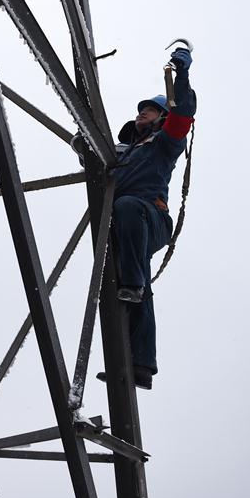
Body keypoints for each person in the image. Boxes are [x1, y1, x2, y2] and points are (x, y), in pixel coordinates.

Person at [79, 47, 197, 390]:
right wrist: (84, 147)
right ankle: (139, 364)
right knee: (126, 283)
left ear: (161, 117)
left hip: (150, 217)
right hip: (123, 227)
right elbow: (93, 161)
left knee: (129, 209)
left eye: (150, 110)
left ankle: (133, 285)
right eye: (142, 110)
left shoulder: (164, 143)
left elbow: (183, 114)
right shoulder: (118, 154)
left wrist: (182, 78)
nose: (143, 113)